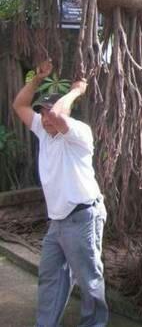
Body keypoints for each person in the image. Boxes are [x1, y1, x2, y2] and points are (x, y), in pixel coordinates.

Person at [12, 59, 108, 327]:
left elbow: (58, 116)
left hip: (82, 216)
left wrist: (77, 90)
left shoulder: (78, 133)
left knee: (89, 279)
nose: (45, 117)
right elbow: (19, 105)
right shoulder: (44, 133)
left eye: (47, 111)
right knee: (51, 276)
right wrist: (38, 78)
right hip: (58, 221)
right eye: (41, 113)